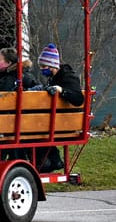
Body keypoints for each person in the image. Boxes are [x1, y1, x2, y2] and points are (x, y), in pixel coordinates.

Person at [35, 43, 84, 172]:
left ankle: (51, 160)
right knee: (36, 127)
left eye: (44, 66)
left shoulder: (68, 77)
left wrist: (61, 90)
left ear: (53, 66)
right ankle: (54, 160)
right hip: (56, 121)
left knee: (36, 129)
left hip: (66, 122)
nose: (42, 70)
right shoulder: (53, 78)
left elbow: (79, 99)